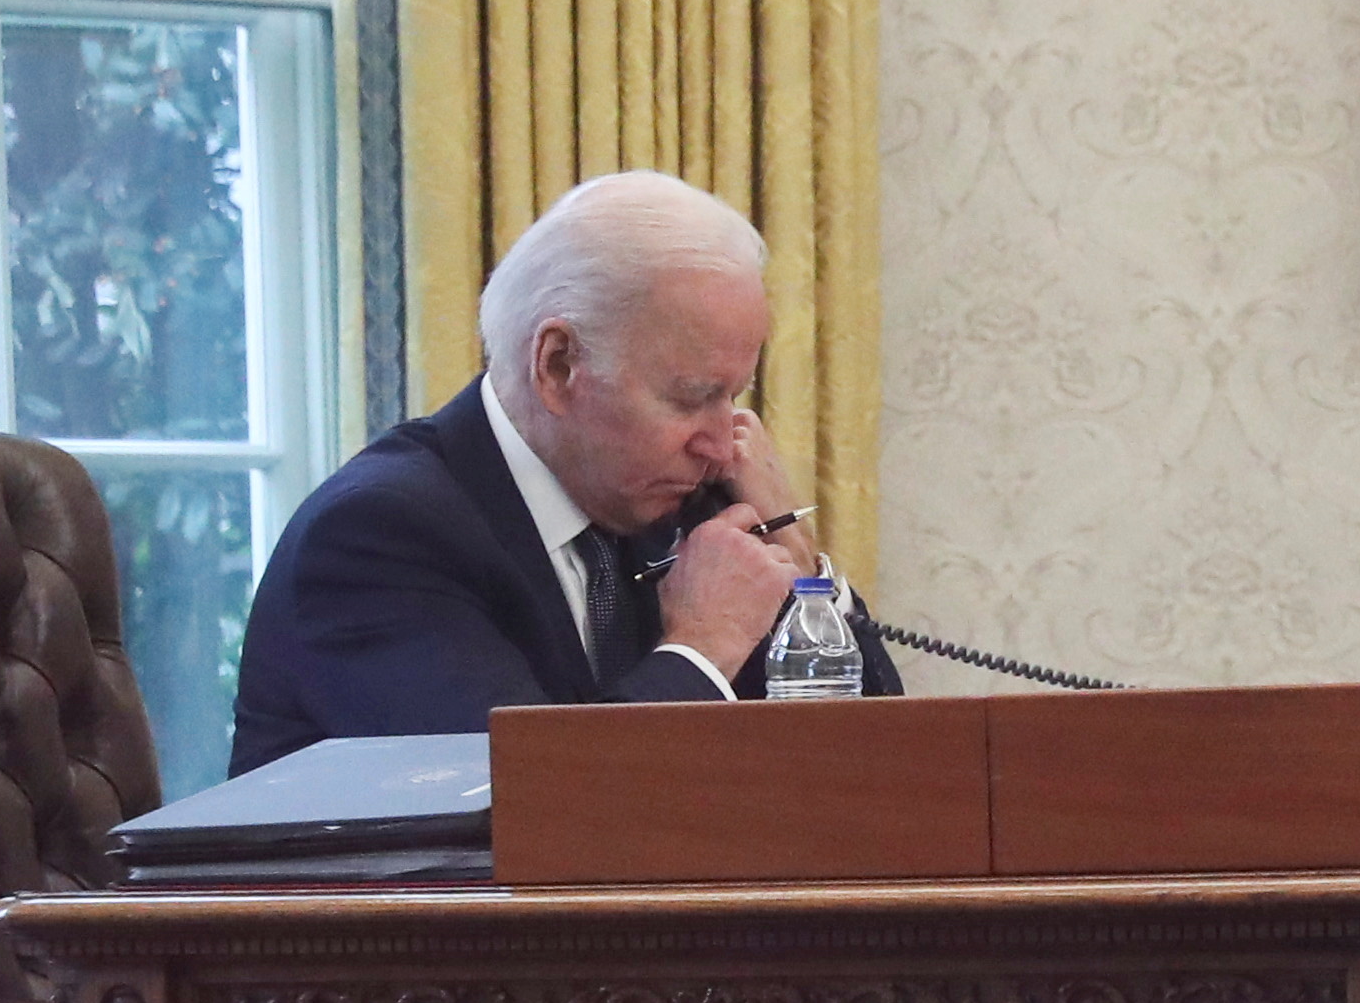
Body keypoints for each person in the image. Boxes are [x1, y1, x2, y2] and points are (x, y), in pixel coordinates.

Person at [228, 171, 895, 774]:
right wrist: (703, 645)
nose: (723, 445)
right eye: (691, 398)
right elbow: (530, 803)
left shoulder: (675, 509)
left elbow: (882, 769)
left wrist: (797, 558)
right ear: (556, 366)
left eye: (734, 397)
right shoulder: (378, 538)